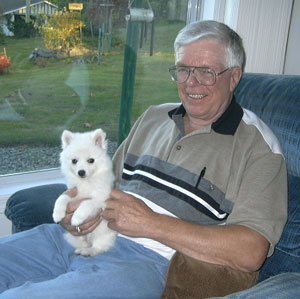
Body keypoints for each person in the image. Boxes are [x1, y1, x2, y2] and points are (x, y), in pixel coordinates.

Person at [0, 20, 287, 298]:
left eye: (206, 72)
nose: (191, 83)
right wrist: (75, 209)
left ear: (234, 76)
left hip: (141, 263)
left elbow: (251, 252)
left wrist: (151, 223)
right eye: (183, 69)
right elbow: (103, 186)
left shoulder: (259, 149)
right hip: (72, 241)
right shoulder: (153, 117)